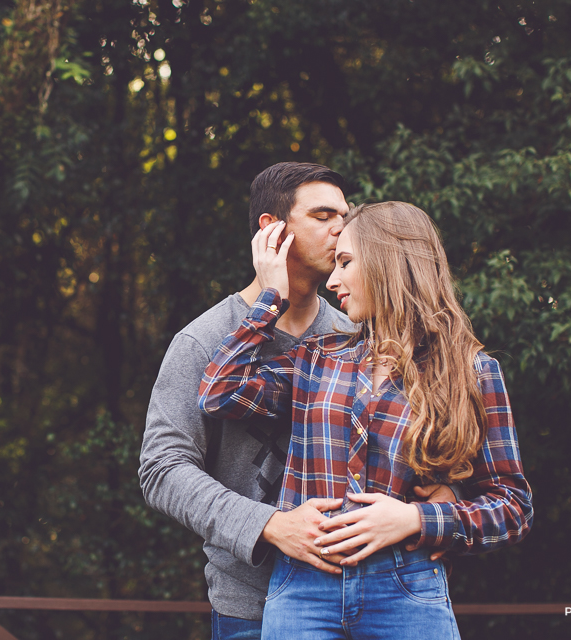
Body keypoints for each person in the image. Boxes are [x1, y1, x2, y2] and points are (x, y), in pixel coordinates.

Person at [139, 165, 456, 640]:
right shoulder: (204, 341)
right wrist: (268, 525)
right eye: (324, 215)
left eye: (344, 216)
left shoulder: (359, 330)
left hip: (375, 595)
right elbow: (162, 470)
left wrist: (438, 498)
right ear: (272, 231)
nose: (341, 228)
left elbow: (423, 429)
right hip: (251, 602)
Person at [198, 201, 533, 639]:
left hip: (407, 587)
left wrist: (415, 520)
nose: (332, 280)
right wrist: (271, 298)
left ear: (388, 263)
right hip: (302, 589)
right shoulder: (317, 359)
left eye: (346, 262)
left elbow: (513, 508)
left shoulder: (472, 372)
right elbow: (218, 390)